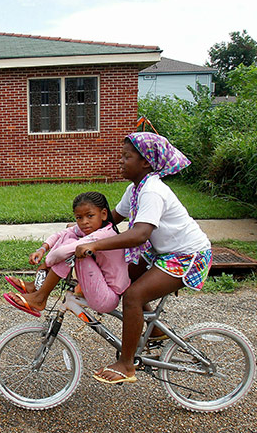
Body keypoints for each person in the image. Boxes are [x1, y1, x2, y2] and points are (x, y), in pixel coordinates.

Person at [75, 132, 212, 385]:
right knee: (124, 276)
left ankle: (126, 364)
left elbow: (139, 235)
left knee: (134, 296)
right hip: (163, 252)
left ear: (146, 162)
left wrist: (94, 245)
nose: (121, 161)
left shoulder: (152, 191)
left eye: (127, 156)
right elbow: (111, 220)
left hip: (186, 256)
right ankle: (156, 331)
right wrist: (71, 236)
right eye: (122, 156)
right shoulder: (135, 189)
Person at [3, 191, 130, 317]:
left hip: (107, 297)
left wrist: (45, 264)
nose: (84, 222)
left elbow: (63, 252)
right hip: (100, 286)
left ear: (103, 214)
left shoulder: (103, 234)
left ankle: (40, 296)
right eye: (79, 218)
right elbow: (62, 234)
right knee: (69, 236)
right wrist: (42, 249)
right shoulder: (95, 227)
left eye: (90, 216)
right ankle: (36, 289)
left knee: (74, 250)